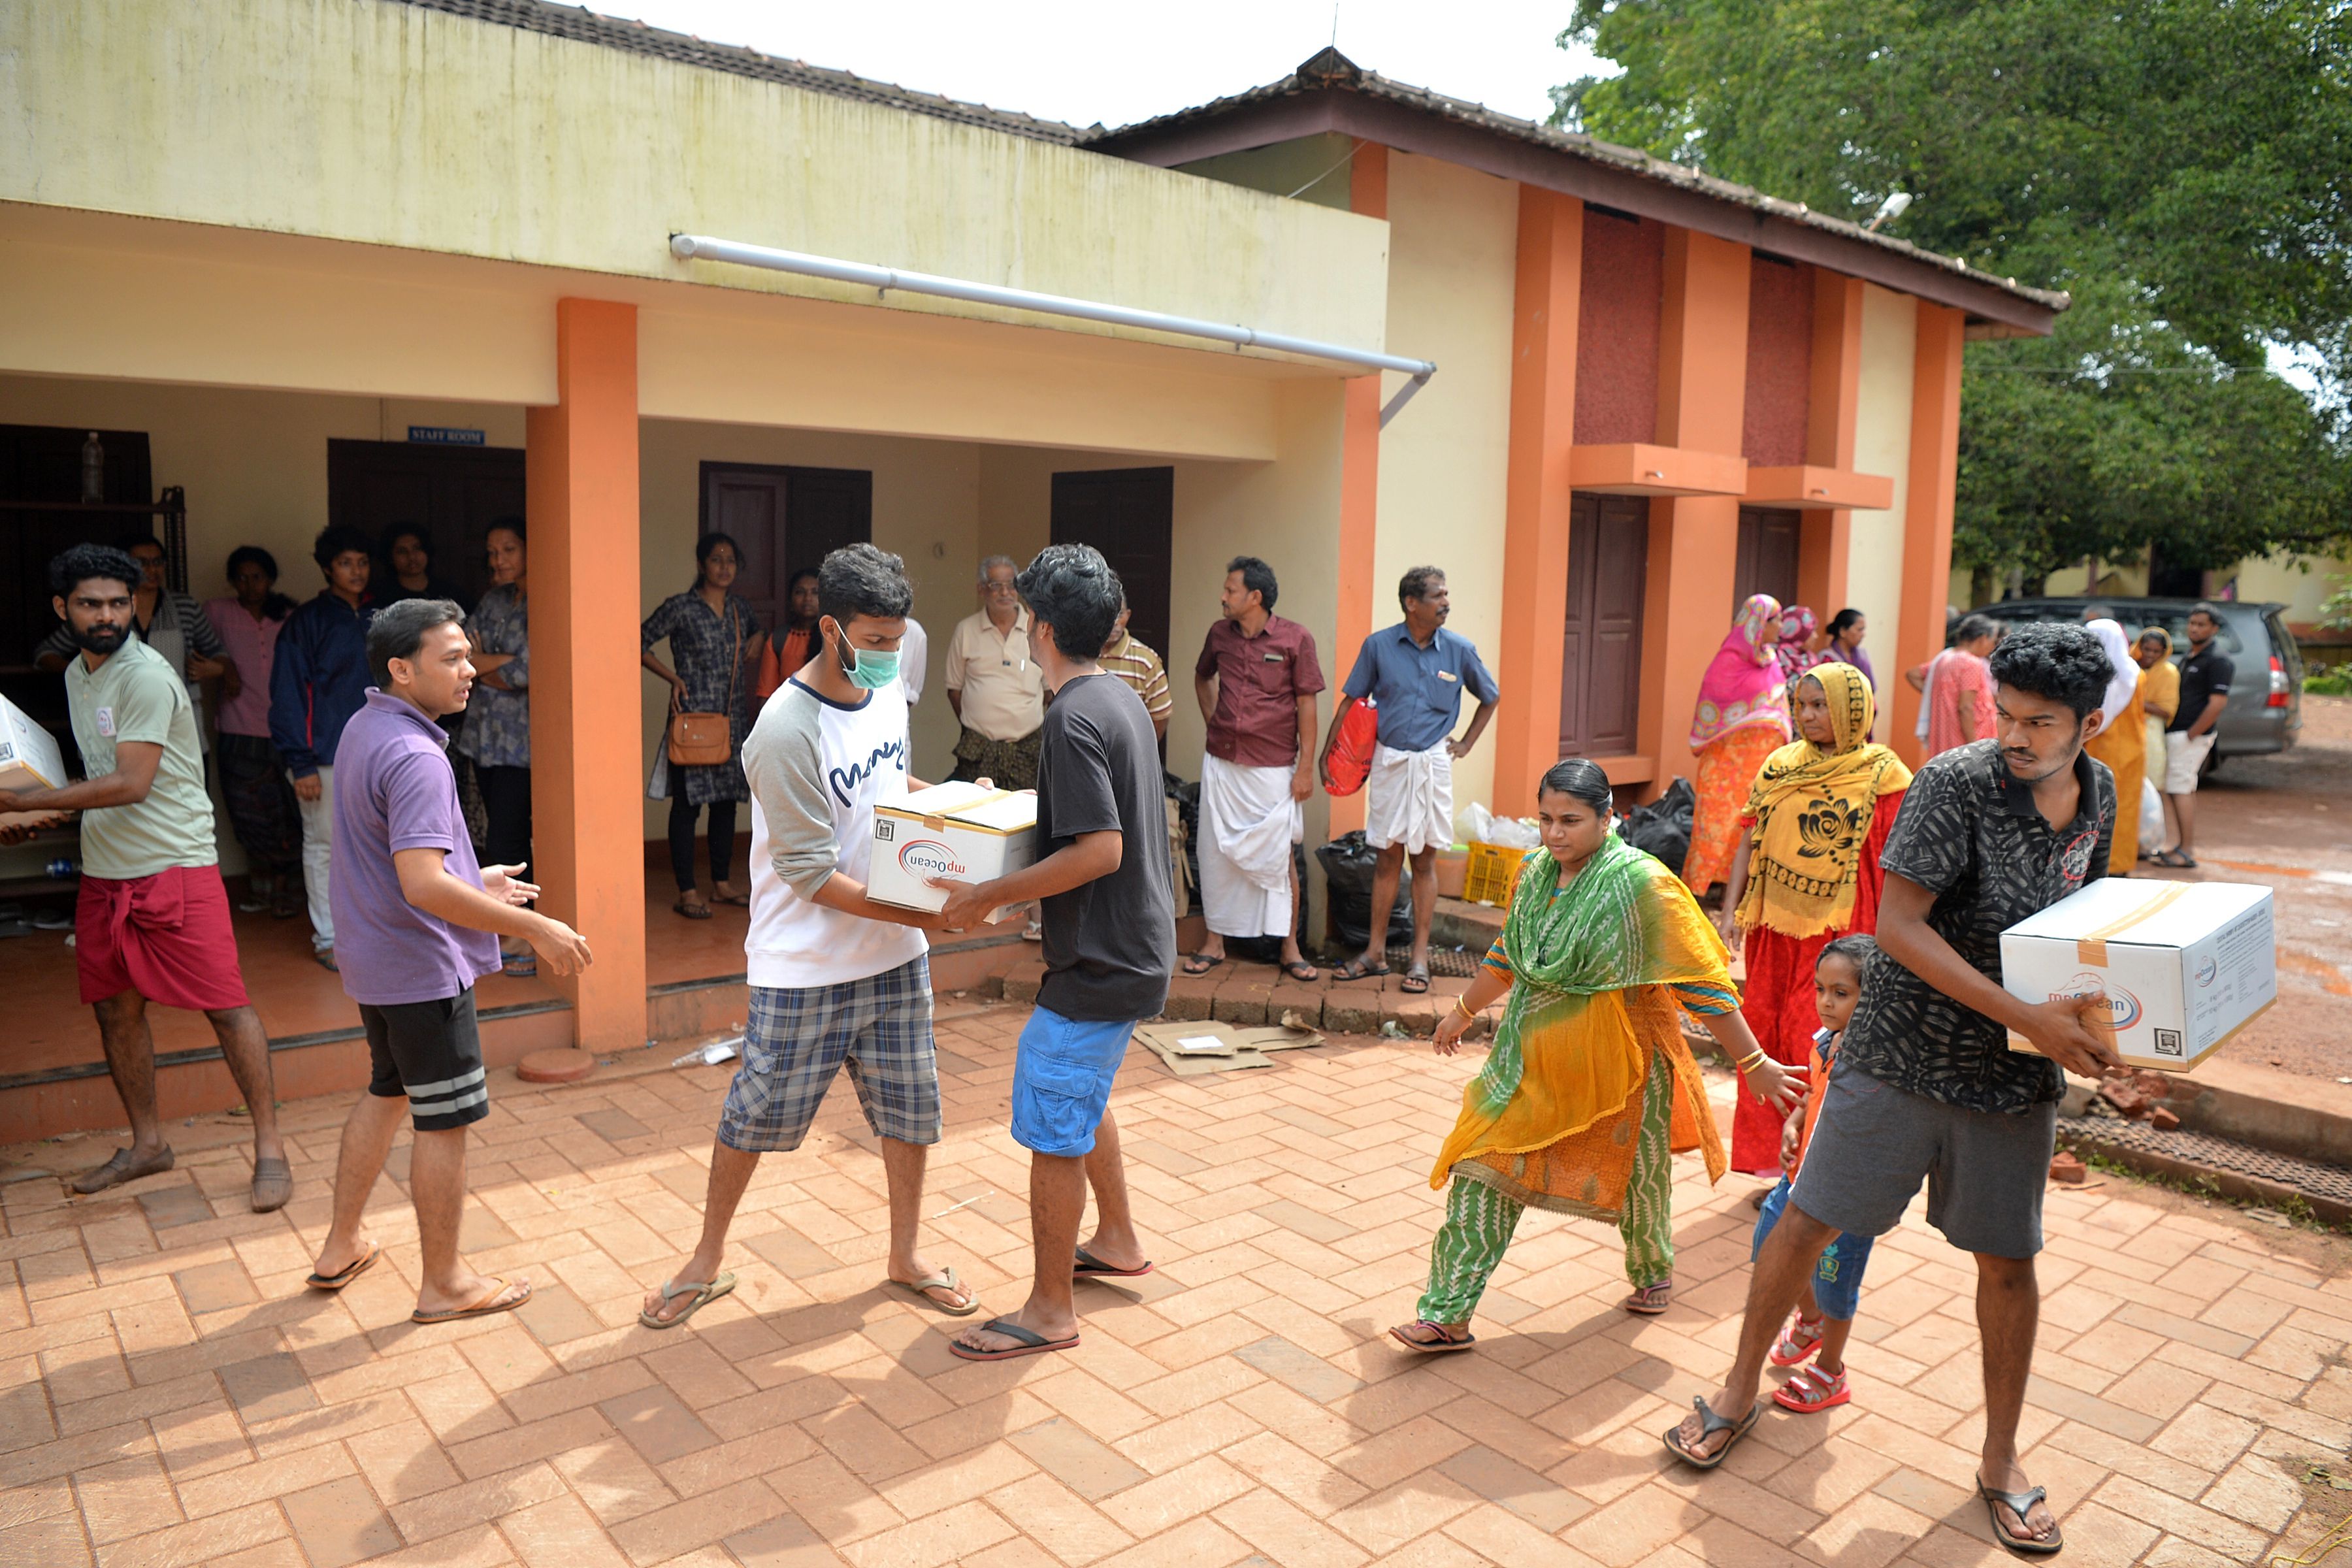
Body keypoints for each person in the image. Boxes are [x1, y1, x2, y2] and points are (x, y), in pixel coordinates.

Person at [1667, 622, 2127, 1560]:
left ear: (2091, 723)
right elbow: (1902, 928)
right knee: (1808, 1220)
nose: (2017, 738)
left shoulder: (2100, 795)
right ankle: (1738, 1390)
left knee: (2009, 1261)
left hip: (2012, 1078)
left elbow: (2087, 923)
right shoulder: (1953, 784)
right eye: (2007, 715)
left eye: (2043, 723)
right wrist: (2032, 1018)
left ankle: (2000, 1459)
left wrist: (2104, 1032)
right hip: (1898, 1057)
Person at [642, 544, 983, 1328]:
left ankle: (905, 1255)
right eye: (873, 640)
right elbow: (810, 875)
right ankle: (706, 1260)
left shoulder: (888, 687)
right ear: (830, 628)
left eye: (898, 640)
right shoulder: (783, 730)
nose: (890, 656)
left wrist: (964, 804)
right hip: (805, 967)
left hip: (895, 958)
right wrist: (932, 916)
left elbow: (892, 789)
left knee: (910, 1110)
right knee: (754, 1117)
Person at [1387, 760, 1801, 1351]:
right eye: (1546, 820)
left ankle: (1652, 1266)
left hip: (1625, 1065)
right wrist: (1463, 1009)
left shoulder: (1641, 883)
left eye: (1572, 821)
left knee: (1640, 1181)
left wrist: (1754, 1063)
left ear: (1610, 818)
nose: (1555, 835)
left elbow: (1702, 984)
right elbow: (1510, 950)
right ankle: (1447, 1313)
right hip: (1528, 1061)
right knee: (1481, 1170)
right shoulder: (1533, 871)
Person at [304, 598, 591, 1322]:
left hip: (377, 962)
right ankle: (446, 1285)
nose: (472, 671)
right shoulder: (415, 753)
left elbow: (396, 859)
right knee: (445, 1123)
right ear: (402, 670)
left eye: (470, 655)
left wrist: (478, 880)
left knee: (388, 1092)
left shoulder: (368, 726)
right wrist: (536, 931)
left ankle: (341, 1245)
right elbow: (422, 884)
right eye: (453, 659)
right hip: (420, 969)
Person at [932, 544, 1175, 1362]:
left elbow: (1099, 848)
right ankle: (1115, 1239)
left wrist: (986, 896)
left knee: (1051, 1119)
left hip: (1102, 959)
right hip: (1135, 944)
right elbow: (1087, 821)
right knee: (1083, 1094)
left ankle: (1048, 1310)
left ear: (1038, 627)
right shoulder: (1120, 698)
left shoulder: (1070, 718)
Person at [1, 546, 289, 1211]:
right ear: (62, 609)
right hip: (107, 871)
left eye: (118, 603)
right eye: (91, 604)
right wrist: (39, 811)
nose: (107, 616)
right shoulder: (77, 674)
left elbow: (132, 783)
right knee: (116, 1010)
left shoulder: (147, 676)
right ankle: (149, 1144)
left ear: (135, 606)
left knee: (226, 1007)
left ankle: (270, 1146)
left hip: (176, 867)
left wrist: (29, 805)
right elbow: (101, 770)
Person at [1715, 664, 1910, 1178]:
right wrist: (1732, 909)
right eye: (1801, 705)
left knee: (1821, 1042)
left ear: (1853, 709)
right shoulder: (1779, 765)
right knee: (1764, 1038)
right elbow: (1748, 838)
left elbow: (1899, 862)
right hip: (1773, 932)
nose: (1807, 716)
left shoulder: (1884, 774)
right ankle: (1771, 1164)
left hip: (1840, 934)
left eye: (1820, 705)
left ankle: (1814, 1171)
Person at [1324, 566, 1499, 994]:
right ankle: (1375, 953)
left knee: (1424, 861)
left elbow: (1489, 696)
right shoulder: (1379, 646)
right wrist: (1327, 756)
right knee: (1387, 858)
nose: (1446, 603)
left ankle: (1419, 959)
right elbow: (1350, 703)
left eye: (1446, 594)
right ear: (1411, 603)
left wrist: (1466, 745)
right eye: (1438, 595)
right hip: (1390, 763)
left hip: (1433, 766)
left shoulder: (1459, 649)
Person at [1750, 935, 1878, 1415]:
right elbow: (1812, 1097)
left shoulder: (1877, 1062)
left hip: (1845, 1196)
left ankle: (1831, 1368)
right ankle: (1808, 1319)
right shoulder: (1824, 1042)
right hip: (1799, 1180)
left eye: (1841, 993)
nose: (1826, 1001)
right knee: (1771, 1249)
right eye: (1820, 988)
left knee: (1836, 1281)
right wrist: (1792, 1124)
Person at [1186, 557, 1322, 982]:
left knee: (1280, 856)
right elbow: (1202, 677)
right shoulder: (1218, 634)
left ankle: (1290, 946)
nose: (1223, 597)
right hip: (1222, 766)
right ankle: (1214, 943)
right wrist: (1216, 724)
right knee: (1215, 854)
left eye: (1230, 590)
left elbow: (1307, 705)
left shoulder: (1295, 639)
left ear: (1255, 597)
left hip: (1274, 769)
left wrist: (1305, 770)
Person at [642, 533, 767, 919]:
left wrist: (759, 639)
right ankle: (687, 890)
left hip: (732, 719)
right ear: (701, 565)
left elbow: (758, 630)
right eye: (717, 559)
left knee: (726, 804)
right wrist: (674, 679)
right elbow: (638, 640)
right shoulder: (681, 607)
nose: (725, 567)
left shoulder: (739, 609)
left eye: (731, 560)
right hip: (692, 719)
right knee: (687, 806)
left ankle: (721, 883)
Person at [270, 524, 377, 970]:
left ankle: (374, 933)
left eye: (364, 562)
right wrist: (301, 762)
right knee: (325, 845)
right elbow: (288, 694)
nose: (357, 571)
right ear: (328, 568)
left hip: (382, 751)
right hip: (325, 755)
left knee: (381, 844)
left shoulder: (384, 617)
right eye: (346, 563)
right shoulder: (306, 623)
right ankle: (329, 938)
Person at [37, 534, 231, 754]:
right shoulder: (92, 624)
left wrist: (217, 668)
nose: (152, 569)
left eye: (157, 562)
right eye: (142, 563)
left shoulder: (184, 607)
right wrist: (88, 673)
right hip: (113, 726)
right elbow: (46, 653)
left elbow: (217, 650)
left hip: (177, 724)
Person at [205, 547, 304, 918]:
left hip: (286, 729)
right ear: (232, 581)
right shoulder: (218, 613)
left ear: (271, 579)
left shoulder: (290, 616)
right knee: (250, 815)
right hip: (238, 728)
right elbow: (199, 650)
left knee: (289, 813)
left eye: (258, 577)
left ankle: (290, 892)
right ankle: (264, 891)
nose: (251, 585)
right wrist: (224, 666)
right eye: (242, 578)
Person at [457, 519, 533, 973]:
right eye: (492, 551)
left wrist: (493, 665)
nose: (498, 560)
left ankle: (521, 931)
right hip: (483, 737)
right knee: (491, 835)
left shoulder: (547, 601)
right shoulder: (493, 599)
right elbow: (463, 658)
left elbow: (529, 673)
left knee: (510, 835)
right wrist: (497, 665)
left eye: (508, 549)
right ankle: (508, 924)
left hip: (523, 743)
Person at [1681, 595, 1790, 897]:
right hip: (1726, 762)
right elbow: (1713, 707)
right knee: (1717, 822)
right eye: (1774, 620)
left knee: (1753, 819)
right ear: (1757, 624)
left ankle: (1739, 885)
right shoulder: (1727, 662)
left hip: (1762, 761)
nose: (1781, 625)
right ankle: (1707, 885)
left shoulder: (1771, 660)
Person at [943, 554, 1047, 790]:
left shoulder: (1036, 630)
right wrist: (978, 722)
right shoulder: (966, 630)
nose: (1005, 593)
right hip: (979, 750)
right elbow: (954, 691)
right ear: (981, 589)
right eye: (996, 586)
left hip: (1028, 749)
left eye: (1011, 585)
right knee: (975, 818)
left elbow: (1050, 692)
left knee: (1027, 818)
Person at [2155, 603, 2232, 869]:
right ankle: (2180, 847)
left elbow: (2217, 703)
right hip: (2176, 732)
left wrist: (2192, 734)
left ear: (2214, 629)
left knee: (2181, 787)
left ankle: (2186, 850)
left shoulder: (2219, 660)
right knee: (2177, 788)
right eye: (2192, 623)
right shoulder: (2191, 655)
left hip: (2190, 736)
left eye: (2201, 624)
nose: (2195, 628)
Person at [2083, 618, 2149, 874]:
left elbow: (2099, 718)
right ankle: (2120, 864)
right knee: (2126, 808)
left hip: (2099, 750)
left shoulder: (2096, 677)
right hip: (2133, 750)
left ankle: (2096, 865)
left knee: (2097, 807)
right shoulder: (2137, 673)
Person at [1923, 613, 2001, 757]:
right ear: (1983, 638)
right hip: (1963, 745)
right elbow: (1966, 707)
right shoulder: (1970, 663)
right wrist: (1973, 747)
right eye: (1992, 640)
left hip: (1945, 743)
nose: (1992, 646)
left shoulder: (1944, 658)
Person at [1101, 596, 1172, 741]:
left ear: (1128, 615)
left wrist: (1141, 752)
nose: (1114, 622)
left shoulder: (1146, 661)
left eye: (1119, 614)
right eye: (1108, 614)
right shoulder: (1083, 654)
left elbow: (1161, 715)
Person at [2137, 627, 2180, 859]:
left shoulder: (2169, 673)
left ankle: (2147, 842)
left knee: (2150, 788)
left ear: (2165, 652)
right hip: (2129, 732)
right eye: (2147, 649)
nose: (2151, 655)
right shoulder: (2131, 667)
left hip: (2152, 733)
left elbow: (2166, 710)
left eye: (2156, 651)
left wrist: (2136, 701)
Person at [753, 568, 822, 703]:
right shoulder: (779, 639)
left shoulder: (835, 639)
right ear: (790, 600)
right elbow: (766, 695)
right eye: (800, 592)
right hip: (788, 718)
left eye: (815, 593)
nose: (808, 598)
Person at [377, 525, 468, 612]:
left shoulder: (449, 592)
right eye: (402, 552)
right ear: (390, 557)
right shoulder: (381, 596)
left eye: (417, 549)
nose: (411, 557)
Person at [1820, 608, 1874, 737]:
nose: (1863, 634)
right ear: (1843, 632)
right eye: (1859, 629)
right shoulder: (1828, 658)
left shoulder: (1862, 657)